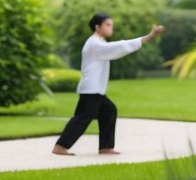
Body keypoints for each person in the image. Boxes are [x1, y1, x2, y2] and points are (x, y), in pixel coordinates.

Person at [52, 13, 164, 156]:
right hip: (91, 90)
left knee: (108, 111)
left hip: (95, 90)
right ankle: (60, 147)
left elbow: (115, 48)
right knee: (83, 117)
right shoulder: (94, 44)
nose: (111, 28)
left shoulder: (99, 43)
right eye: (108, 25)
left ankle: (105, 147)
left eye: (111, 25)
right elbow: (120, 47)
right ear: (97, 27)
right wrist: (148, 37)